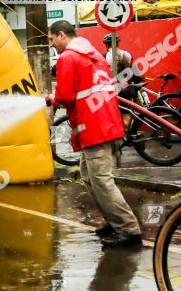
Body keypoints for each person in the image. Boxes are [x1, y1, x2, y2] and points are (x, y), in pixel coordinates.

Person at [46, 20, 142, 247]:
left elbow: (65, 96)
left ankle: (129, 229)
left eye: (51, 40)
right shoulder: (93, 56)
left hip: (94, 127)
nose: (52, 46)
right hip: (103, 123)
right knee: (89, 177)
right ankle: (114, 220)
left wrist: (51, 99)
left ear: (62, 35)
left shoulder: (69, 57)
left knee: (100, 179)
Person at [103, 32, 138, 128]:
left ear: (106, 44)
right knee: (126, 115)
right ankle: (132, 134)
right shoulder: (127, 54)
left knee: (114, 117)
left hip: (112, 90)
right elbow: (134, 71)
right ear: (118, 43)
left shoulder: (104, 57)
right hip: (127, 88)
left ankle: (130, 135)